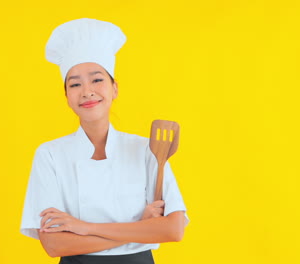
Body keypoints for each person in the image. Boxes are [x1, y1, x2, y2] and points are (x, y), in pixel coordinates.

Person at [20, 18, 189, 264]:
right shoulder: (50, 154)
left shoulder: (149, 150)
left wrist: (82, 227)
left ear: (115, 88)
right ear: (66, 96)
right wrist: (141, 228)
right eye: (75, 83)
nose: (87, 90)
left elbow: (173, 230)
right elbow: (55, 245)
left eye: (97, 79)